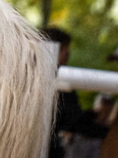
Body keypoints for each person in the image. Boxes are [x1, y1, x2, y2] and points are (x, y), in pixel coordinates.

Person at [41, 27, 108, 158]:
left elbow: (70, 119)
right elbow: (74, 123)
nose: (68, 53)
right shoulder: (60, 81)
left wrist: (93, 114)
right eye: (65, 48)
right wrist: (110, 132)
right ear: (55, 50)